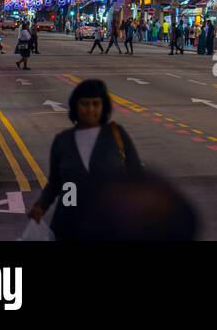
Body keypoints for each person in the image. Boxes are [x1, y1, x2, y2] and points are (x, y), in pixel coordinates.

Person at [29, 79, 143, 240]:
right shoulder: (63, 141)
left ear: (103, 107)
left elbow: (137, 177)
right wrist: (40, 206)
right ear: (75, 106)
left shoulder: (116, 135)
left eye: (96, 104)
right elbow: (55, 183)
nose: (90, 109)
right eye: (84, 103)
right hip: (68, 225)